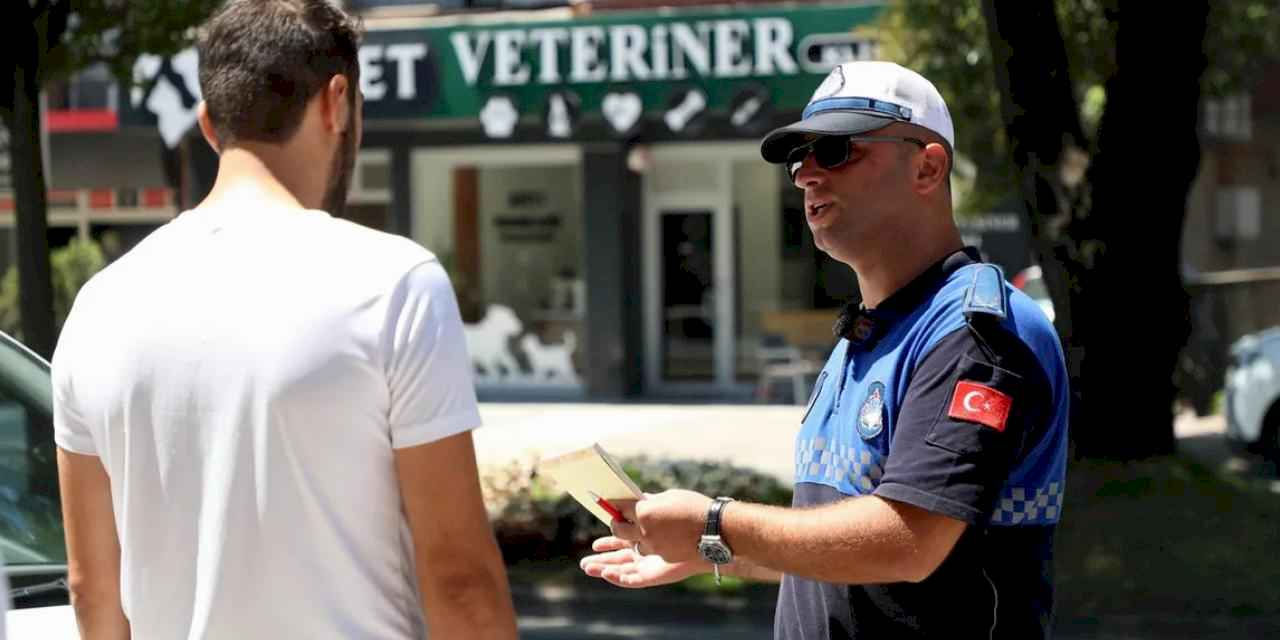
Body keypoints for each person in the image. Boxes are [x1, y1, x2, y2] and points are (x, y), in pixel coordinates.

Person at [51, 1, 517, 638]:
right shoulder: (396, 286)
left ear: (210, 126)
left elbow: (92, 591)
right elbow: (460, 583)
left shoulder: (97, 308)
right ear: (337, 103)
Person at [580, 60, 1070, 639]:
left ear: (927, 167)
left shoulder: (971, 335)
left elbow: (908, 542)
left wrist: (718, 522)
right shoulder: (871, 332)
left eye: (836, 151)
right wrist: (714, 549)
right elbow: (844, 547)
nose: (807, 175)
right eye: (799, 158)